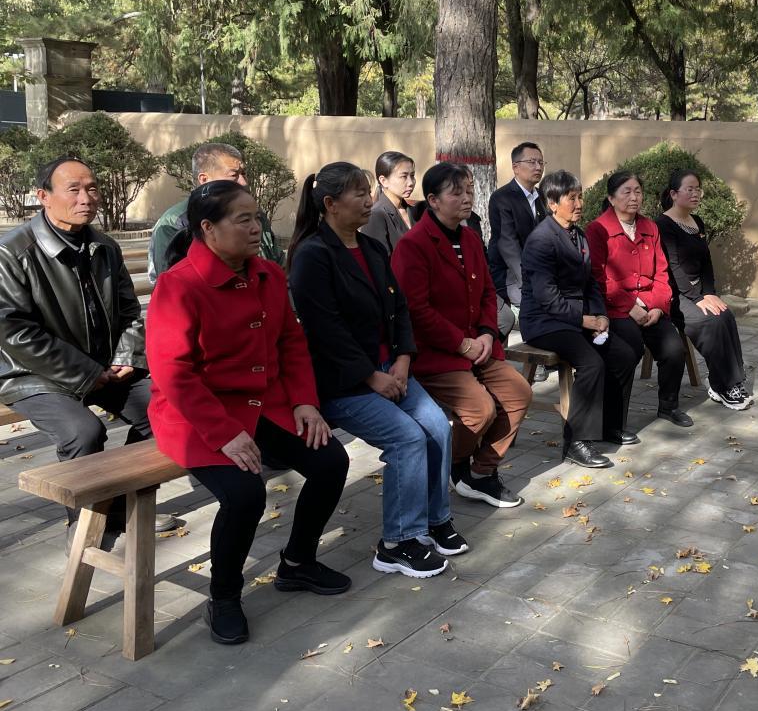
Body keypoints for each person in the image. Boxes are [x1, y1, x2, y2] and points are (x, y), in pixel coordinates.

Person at [146, 181, 351, 646]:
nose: (257, 227)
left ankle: (297, 562)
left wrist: (304, 401)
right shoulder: (180, 285)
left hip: (266, 404)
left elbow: (291, 341)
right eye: (243, 220)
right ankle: (223, 597)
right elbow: (174, 373)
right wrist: (224, 433)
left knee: (330, 460)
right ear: (208, 228)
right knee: (244, 494)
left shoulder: (268, 274)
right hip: (198, 415)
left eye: (257, 217)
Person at [288, 162, 467, 581]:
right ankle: (397, 542)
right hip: (345, 381)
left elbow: (399, 308)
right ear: (331, 204)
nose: (369, 200)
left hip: (392, 368)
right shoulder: (314, 255)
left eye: (368, 191)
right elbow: (325, 330)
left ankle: (434, 520)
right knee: (407, 438)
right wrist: (372, 376)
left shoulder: (371, 248)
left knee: (437, 428)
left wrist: (403, 359)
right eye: (359, 193)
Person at [0, 157, 179, 540]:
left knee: (168, 412)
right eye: (74, 190)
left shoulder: (104, 247)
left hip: (104, 367)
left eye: (92, 188)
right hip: (31, 374)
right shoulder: (12, 253)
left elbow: (130, 311)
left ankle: (126, 507)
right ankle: (83, 526)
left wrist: (126, 357)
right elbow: (14, 331)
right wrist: (86, 372)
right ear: (43, 196)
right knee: (83, 431)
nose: (87, 198)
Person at [391, 163, 532, 508]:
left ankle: (480, 472)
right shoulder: (413, 245)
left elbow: (487, 292)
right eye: (457, 193)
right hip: (437, 353)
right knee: (479, 410)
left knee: (518, 393)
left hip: (478, 347)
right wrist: (461, 343)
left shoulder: (469, 237)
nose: (467, 198)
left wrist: (486, 333)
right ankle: (453, 465)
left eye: (469, 191)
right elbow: (416, 309)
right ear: (433, 200)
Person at [519, 170, 639, 469]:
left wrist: (600, 315)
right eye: (571, 198)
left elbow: (591, 284)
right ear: (552, 203)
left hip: (577, 317)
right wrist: (585, 321)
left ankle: (610, 425)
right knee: (591, 363)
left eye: (580, 197)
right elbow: (547, 298)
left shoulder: (579, 235)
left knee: (624, 354)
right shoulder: (541, 240)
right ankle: (577, 442)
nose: (579, 204)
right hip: (545, 322)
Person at [586, 170, 693, 428]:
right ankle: (615, 421)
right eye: (627, 192)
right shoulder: (598, 229)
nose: (634, 197)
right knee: (629, 349)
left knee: (674, 349)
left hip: (650, 306)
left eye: (638, 191)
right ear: (611, 198)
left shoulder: (649, 227)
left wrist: (658, 307)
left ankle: (669, 406)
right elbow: (599, 278)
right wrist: (629, 306)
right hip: (616, 309)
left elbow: (662, 274)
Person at [657, 169, 753, 411]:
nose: (695, 194)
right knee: (710, 321)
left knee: (725, 315)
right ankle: (722, 385)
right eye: (689, 189)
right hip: (676, 294)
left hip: (699, 291)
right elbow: (673, 268)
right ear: (674, 194)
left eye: (698, 189)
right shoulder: (663, 225)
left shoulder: (697, 221)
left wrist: (709, 292)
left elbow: (706, 262)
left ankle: (731, 381)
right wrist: (697, 298)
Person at [148, 142, 283, 282]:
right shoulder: (175, 222)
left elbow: (278, 264)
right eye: (234, 175)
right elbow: (172, 279)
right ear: (204, 180)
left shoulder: (255, 215)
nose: (243, 182)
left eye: (244, 174)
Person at [487, 142, 548, 338]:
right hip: (510, 273)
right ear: (515, 167)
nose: (538, 167)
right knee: (543, 304)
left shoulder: (542, 198)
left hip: (538, 271)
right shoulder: (502, 198)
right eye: (532, 162)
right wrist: (529, 280)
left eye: (541, 162)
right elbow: (508, 245)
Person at [361, 151, 416, 254]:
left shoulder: (415, 211)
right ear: (384, 181)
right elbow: (377, 259)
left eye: (412, 175)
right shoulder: (375, 215)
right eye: (404, 176)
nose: (411, 182)